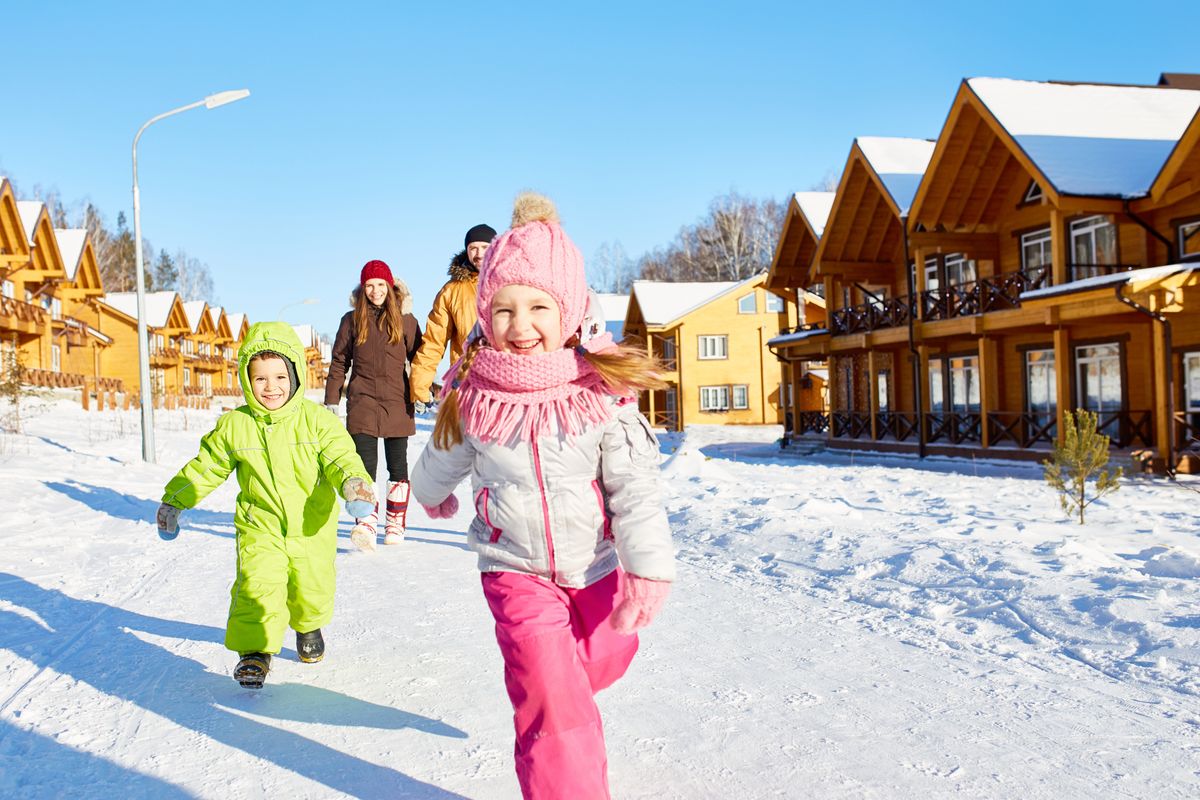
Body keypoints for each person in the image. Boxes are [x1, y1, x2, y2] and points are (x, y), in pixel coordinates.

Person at [410, 193, 675, 799]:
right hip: (514, 571)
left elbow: (634, 488)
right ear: (483, 313)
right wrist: (429, 494)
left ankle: (572, 691)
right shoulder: (476, 393)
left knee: (604, 657)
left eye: (537, 306)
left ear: (570, 310)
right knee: (551, 696)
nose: (519, 326)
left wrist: (648, 570)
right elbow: (442, 455)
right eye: (502, 309)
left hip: (596, 564)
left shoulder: (599, 389)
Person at [155, 321, 375, 689]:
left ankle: (307, 627)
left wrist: (354, 484)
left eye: (279, 377)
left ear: (295, 376)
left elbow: (341, 458)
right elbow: (206, 466)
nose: (271, 387)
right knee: (257, 585)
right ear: (246, 380)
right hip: (260, 526)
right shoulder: (235, 425)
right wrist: (175, 500)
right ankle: (254, 653)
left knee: (311, 587)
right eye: (260, 379)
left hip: (311, 525)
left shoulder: (317, 421)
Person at [324, 260, 422, 549]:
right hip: (363, 401)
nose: (375, 291)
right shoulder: (351, 320)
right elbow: (340, 361)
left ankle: (394, 523)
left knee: (398, 467)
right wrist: (332, 399)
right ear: (362, 288)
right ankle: (366, 522)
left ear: (390, 287)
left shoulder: (407, 320)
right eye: (369, 285)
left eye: (380, 285)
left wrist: (423, 391)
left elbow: (421, 359)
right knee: (363, 468)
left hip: (397, 401)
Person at [408, 223, 496, 413]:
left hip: (508, 381)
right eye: (473, 248)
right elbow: (433, 342)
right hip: (468, 384)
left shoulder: (512, 283)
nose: (479, 254)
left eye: (484, 247)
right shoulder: (452, 291)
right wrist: (420, 386)